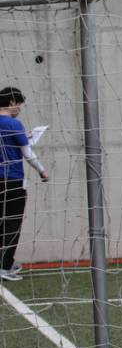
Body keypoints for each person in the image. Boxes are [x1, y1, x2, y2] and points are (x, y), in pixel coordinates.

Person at [0, 87, 48, 282]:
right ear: (12, 102)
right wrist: (42, 171)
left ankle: (6, 262)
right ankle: (4, 266)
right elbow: (27, 153)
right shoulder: (14, 124)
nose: (19, 109)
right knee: (12, 223)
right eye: (19, 104)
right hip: (12, 180)